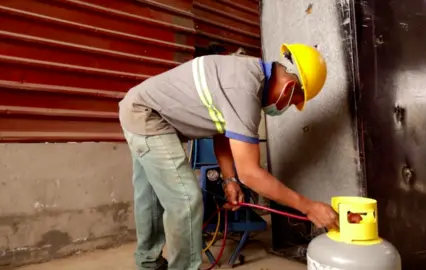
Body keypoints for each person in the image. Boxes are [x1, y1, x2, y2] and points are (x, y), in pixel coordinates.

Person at [118, 43, 338, 270]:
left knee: (150, 198)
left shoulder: (245, 72)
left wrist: (229, 179)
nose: (287, 107)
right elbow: (251, 174)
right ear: (289, 86)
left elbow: (222, 128)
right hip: (149, 117)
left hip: (137, 108)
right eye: (293, 101)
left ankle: (148, 263)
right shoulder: (245, 89)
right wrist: (309, 207)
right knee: (185, 200)